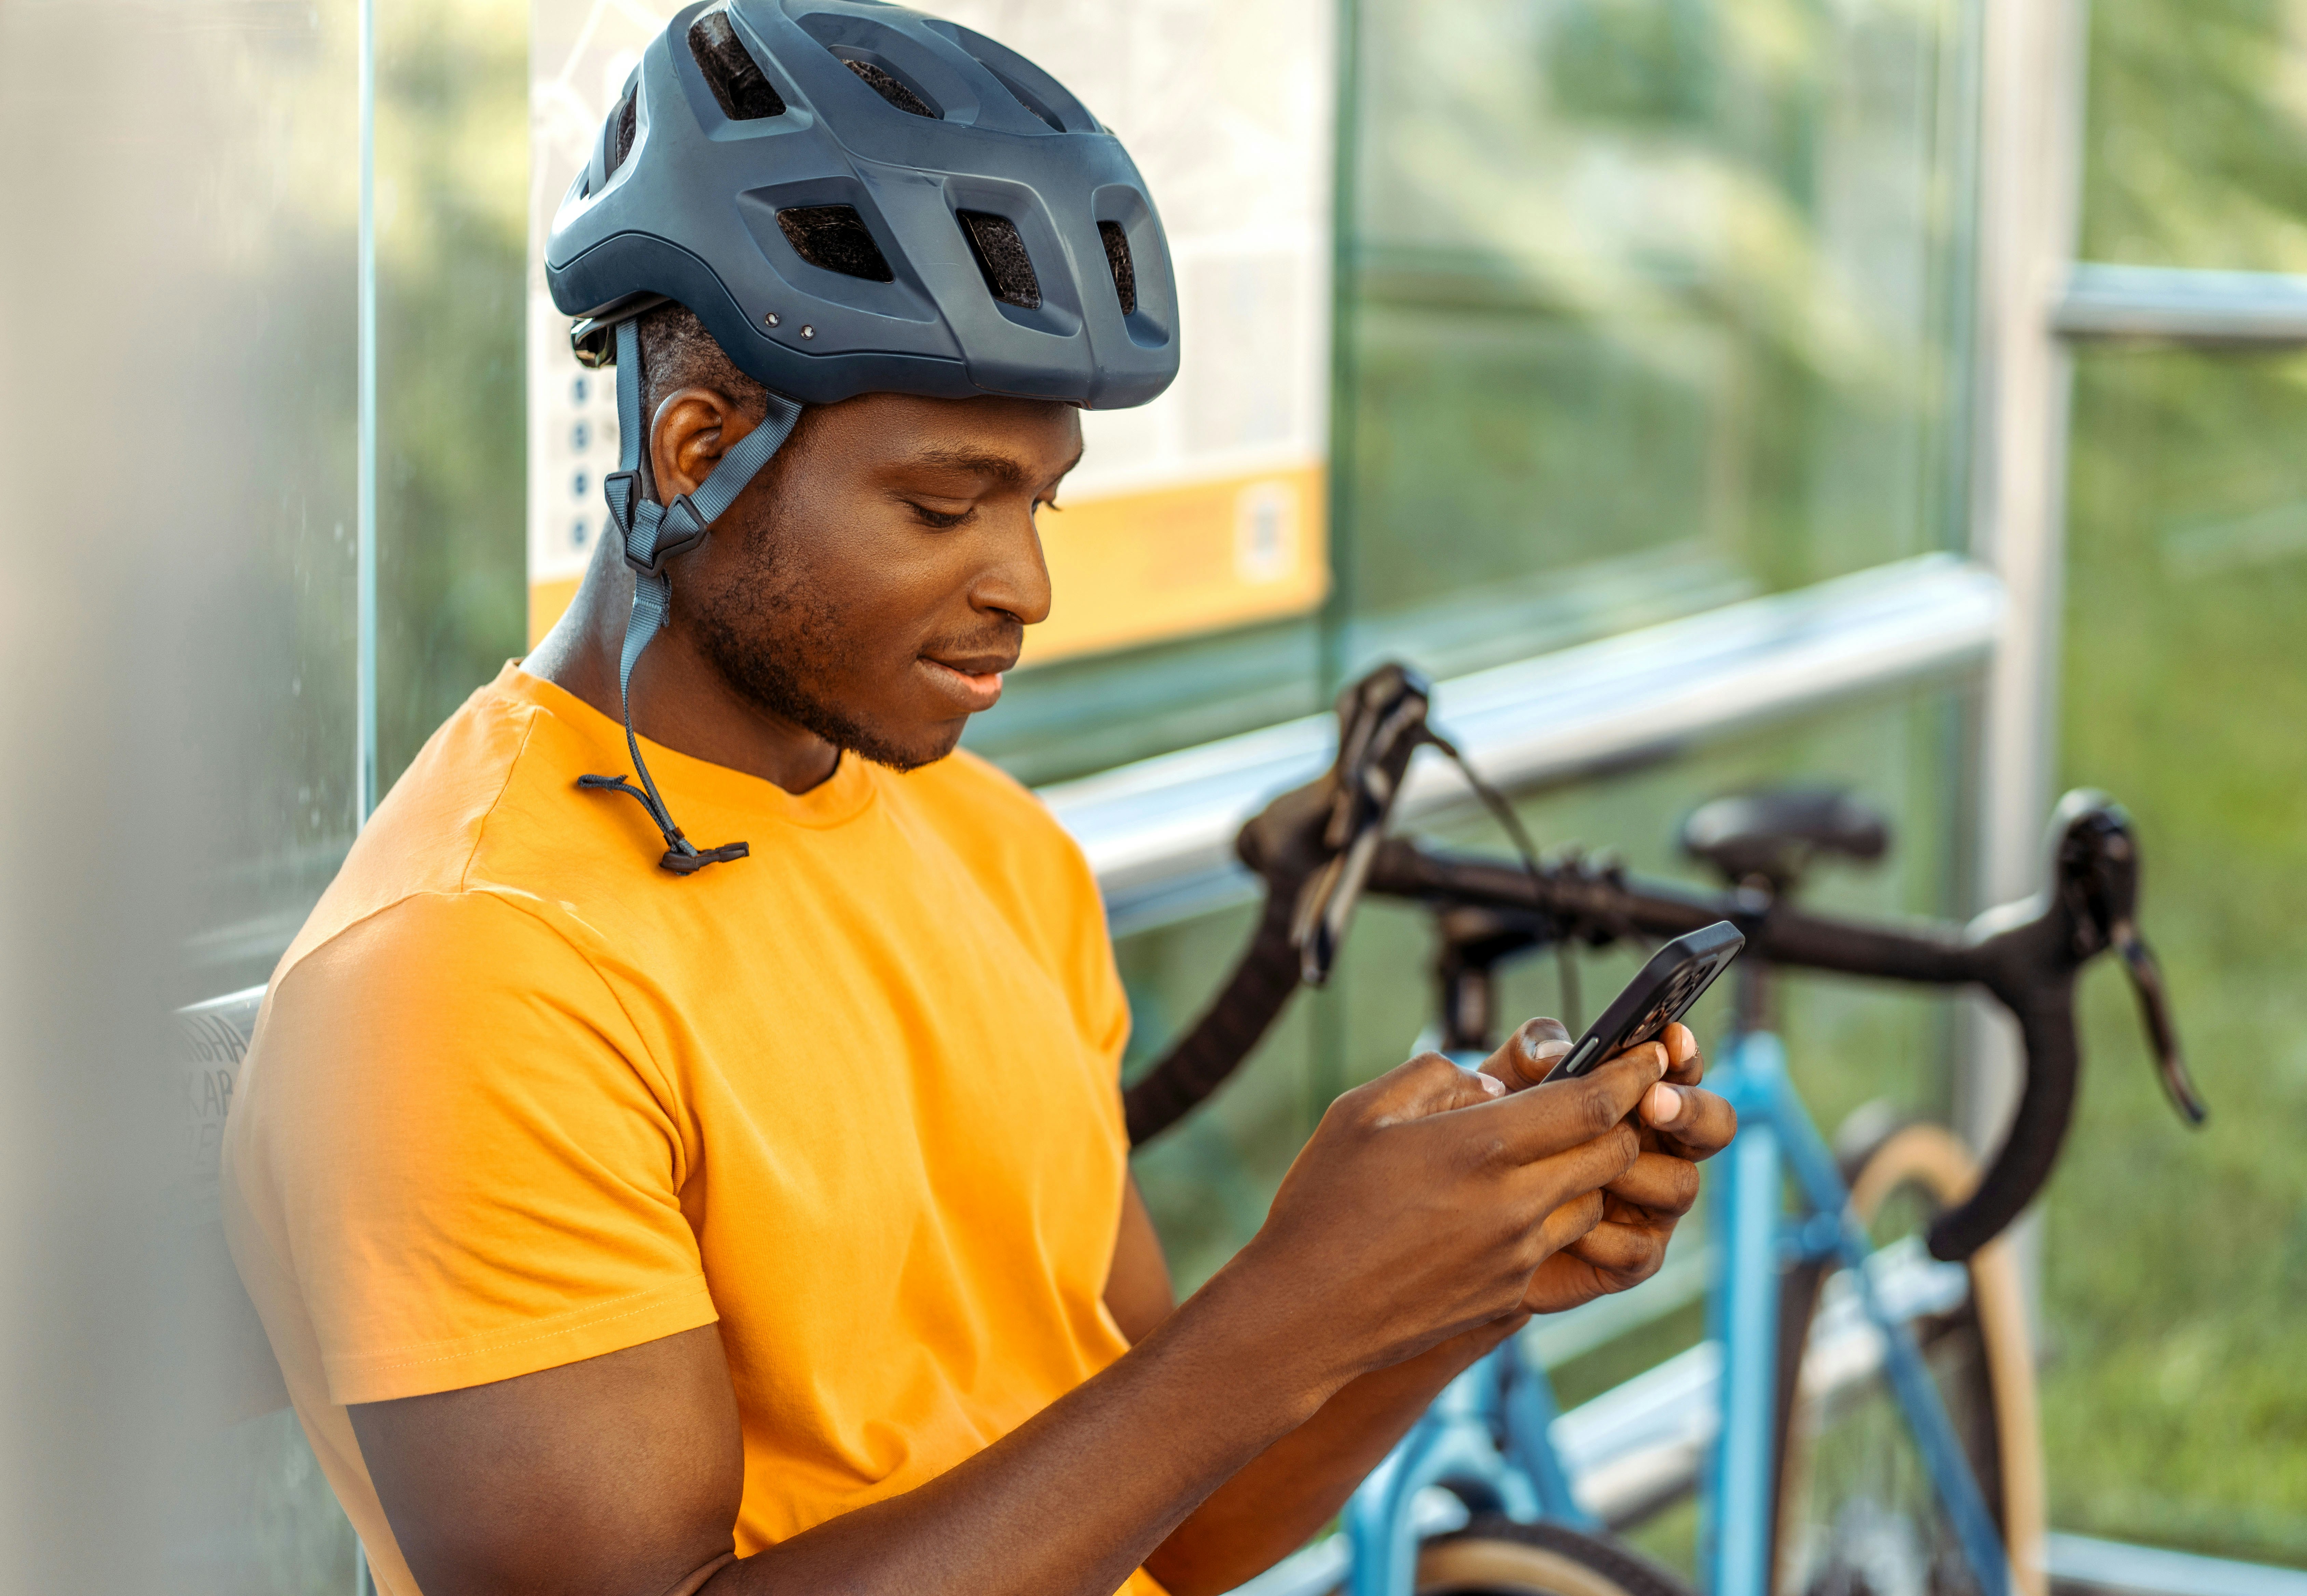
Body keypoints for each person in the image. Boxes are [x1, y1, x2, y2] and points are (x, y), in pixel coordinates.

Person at [221, 5, 1736, 1594]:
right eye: (946, 503)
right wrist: (1284, 1309)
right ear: (694, 451)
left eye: (1042, 499)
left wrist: (1441, 1282)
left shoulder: (997, 849)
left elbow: (1178, 1512)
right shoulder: (469, 974)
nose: (1023, 583)